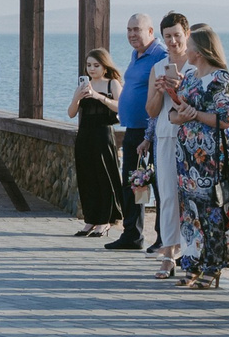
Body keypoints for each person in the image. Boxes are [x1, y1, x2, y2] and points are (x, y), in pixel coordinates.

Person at [170, 25, 229, 289]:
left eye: (189, 45)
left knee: (212, 213)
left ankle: (213, 266)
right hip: (186, 156)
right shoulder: (188, 77)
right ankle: (192, 263)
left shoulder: (221, 79)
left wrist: (195, 115)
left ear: (200, 49)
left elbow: (225, 119)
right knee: (189, 212)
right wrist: (183, 115)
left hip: (210, 158)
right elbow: (173, 115)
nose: (185, 49)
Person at [107, 15, 164, 252]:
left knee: (160, 186)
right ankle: (132, 235)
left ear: (150, 31)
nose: (131, 34)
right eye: (128, 29)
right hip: (132, 129)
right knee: (132, 184)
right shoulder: (136, 54)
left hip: (151, 130)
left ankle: (163, 238)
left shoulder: (159, 55)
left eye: (137, 30)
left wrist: (148, 135)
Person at [143, 14, 193, 264]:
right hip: (165, 134)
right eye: (168, 37)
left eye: (177, 35)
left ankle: (193, 251)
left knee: (192, 196)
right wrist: (161, 91)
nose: (173, 41)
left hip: (192, 137)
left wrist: (180, 88)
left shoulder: (197, 66)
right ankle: (170, 250)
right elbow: (151, 111)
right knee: (168, 194)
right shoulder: (157, 67)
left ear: (187, 34)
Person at [67, 50, 126, 237]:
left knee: (104, 176)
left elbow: (121, 107)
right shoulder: (84, 85)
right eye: (89, 65)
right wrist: (78, 96)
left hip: (103, 133)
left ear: (104, 66)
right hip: (85, 134)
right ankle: (90, 219)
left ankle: (105, 220)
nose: (92, 69)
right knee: (87, 176)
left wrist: (98, 96)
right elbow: (71, 113)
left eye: (96, 65)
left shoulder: (112, 83)